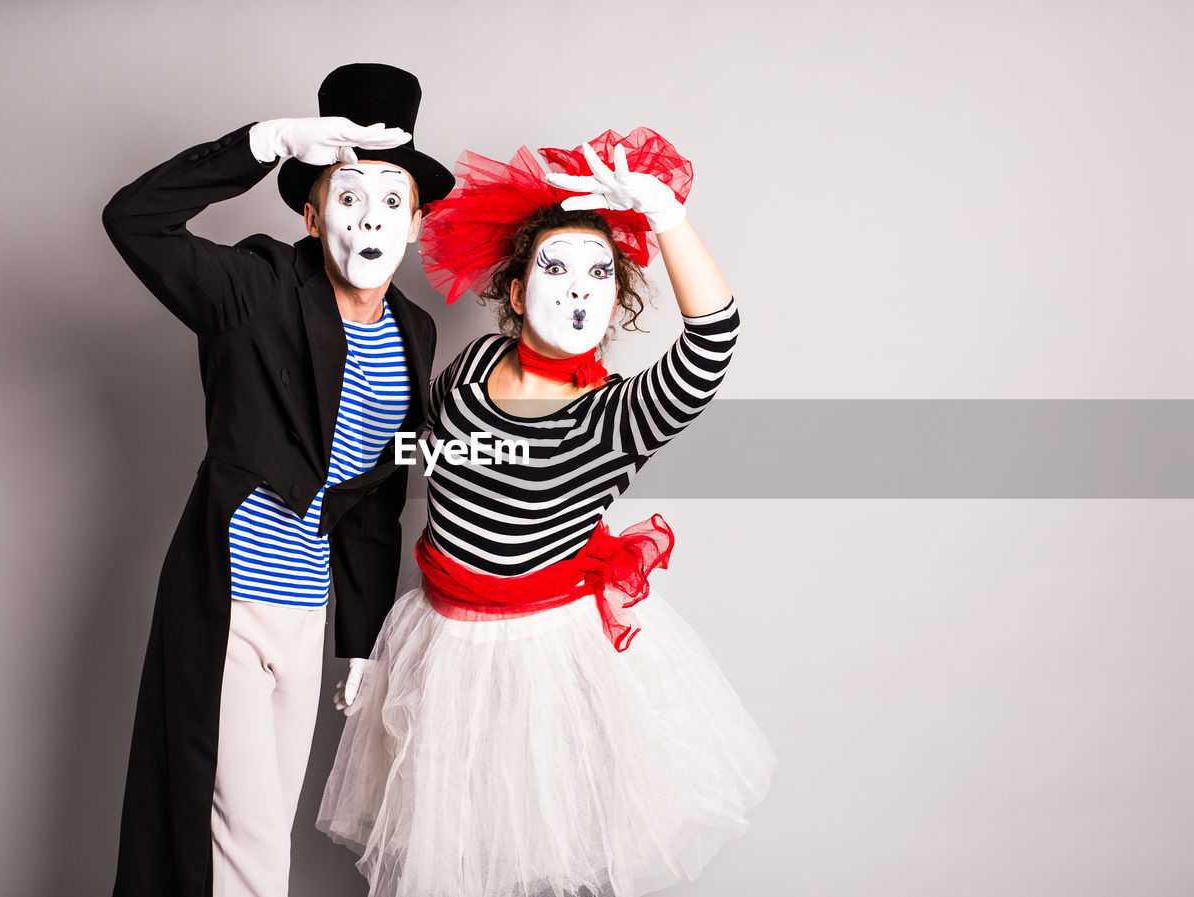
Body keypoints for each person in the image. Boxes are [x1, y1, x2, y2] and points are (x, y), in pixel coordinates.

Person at [315, 128, 775, 897]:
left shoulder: (614, 415)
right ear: (520, 292)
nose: (577, 288)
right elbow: (418, 464)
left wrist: (664, 215)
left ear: (617, 301)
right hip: (441, 646)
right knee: (454, 851)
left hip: (545, 661)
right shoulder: (471, 368)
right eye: (556, 268)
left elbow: (712, 343)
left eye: (599, 275)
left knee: (548, 852)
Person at [101, 63, 454, 897]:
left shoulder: (414, 332)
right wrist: (265, 142)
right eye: (348, 195)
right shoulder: (254, 288)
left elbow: (374, 500)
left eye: (391, 200)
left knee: (261, 837)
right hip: (228, 603)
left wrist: (360, 641)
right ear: (310, 210)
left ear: (415, 223)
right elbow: (133, 221)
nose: (370, 217)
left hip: (308, 614)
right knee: (250, 841)